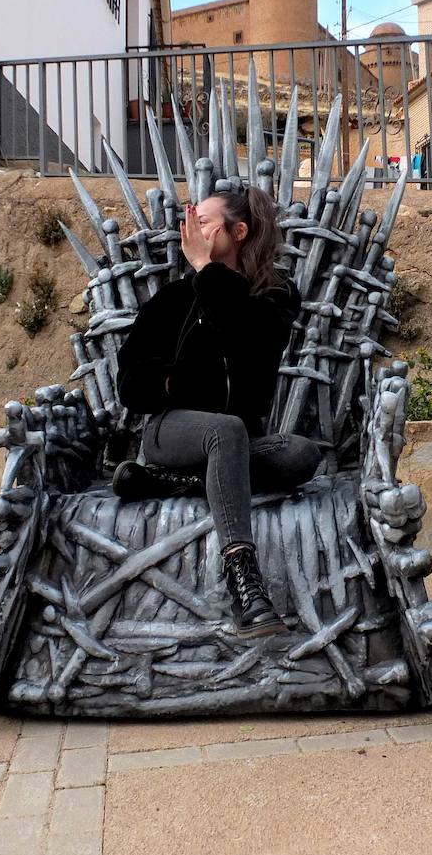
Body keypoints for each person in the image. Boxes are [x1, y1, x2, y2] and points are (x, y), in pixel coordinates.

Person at [113, 182, 321, 638]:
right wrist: (170, 383)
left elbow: (252, 343)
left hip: (236, 441)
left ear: (239, 230)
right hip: (171, 431)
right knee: (225, 431)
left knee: (302, 454)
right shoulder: (173, 298)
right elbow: (127, 378)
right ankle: (244, 580)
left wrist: (208, 270)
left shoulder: (273, 296)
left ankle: (179, 484)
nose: (190, 228)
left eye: (203, 221)